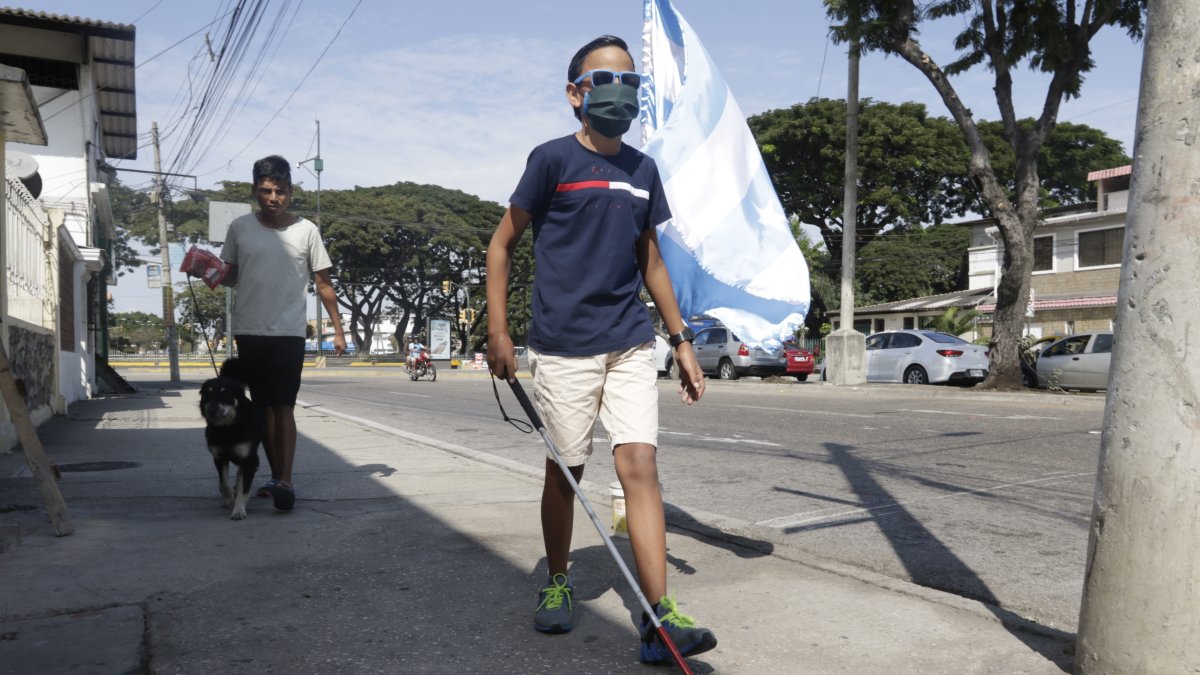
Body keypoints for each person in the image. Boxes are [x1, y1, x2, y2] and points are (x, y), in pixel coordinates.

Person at [485, 35, 716, 664]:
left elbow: (651, 260)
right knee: (567, 470)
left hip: (630, 340)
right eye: (603, 80)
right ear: (574, 94)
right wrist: (499, 331)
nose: (619, 91)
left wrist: (681, 340)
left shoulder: (643, 170)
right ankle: (558, 581)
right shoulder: (552, 161)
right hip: (563, 347)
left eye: (630, 81)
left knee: (640, 466)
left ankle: (658, 616)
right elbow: (501, 244)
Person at [220, 154, 346, 511]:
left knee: (284, 405)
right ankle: (276, 479)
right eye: (265, 191)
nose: (273, 198)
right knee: (262, 408)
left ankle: (285, 479)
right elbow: (230, 276)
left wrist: (339, 330)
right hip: (250, 330)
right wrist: (205, 270)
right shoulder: (240, 228)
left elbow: (324, 284)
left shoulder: (307, 230)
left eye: (279, 191)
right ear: (255, 191)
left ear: (290, 191)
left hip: (289, 332)